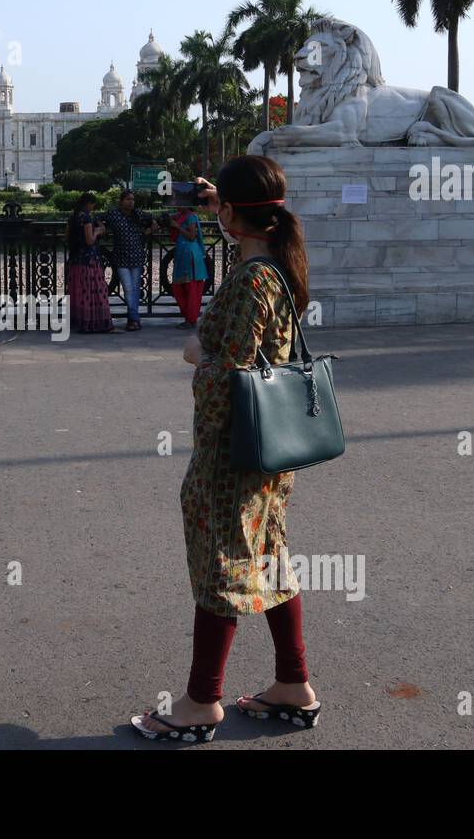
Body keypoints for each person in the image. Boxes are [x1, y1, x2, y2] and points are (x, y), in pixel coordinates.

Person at [131, 155, 319, 744]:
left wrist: (195, 353)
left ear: (238, 215)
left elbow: (228, 374)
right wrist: (225, 208)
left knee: (220, 565)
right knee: (267, 557)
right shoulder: (278, 269)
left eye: (222, 208)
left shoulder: (248, 282)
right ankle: (293, 684)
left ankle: (199, 702)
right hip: (272, 448)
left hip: (231, 451)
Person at [65, 193, 118, 334]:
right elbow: (90, 240)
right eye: (93, 205)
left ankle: (80, 321)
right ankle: (95, 322)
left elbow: (67, 237)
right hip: (89, 261)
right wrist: (98, 231)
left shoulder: (73, 217)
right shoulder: (86, 217)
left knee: (80, 293)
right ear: (89, 204)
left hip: (75, 260)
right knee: (95, 291)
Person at [101, 190, 152, 331]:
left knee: (135, 289)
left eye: (133, 199)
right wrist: (103, 227)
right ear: (121, 201)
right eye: (128, 199)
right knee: (128, 289)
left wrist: (148, 231)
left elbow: (154, 220)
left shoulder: (138, 214)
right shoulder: (114, 215)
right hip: (121, 257)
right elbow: (97, 217)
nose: (131, 202)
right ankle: (134, 319)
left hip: (136, 256)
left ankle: (132, 319)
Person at [169, 204, 207, 328]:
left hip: (189, 255)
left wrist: (177, 226)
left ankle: (190, 319)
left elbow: (192, 236)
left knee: (190, 289)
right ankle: (190, 318)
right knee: (181, 287)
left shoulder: (190, 217)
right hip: (183, 254)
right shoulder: (181, 215)